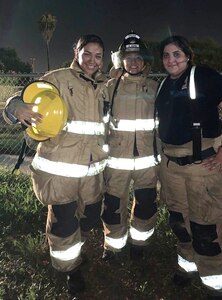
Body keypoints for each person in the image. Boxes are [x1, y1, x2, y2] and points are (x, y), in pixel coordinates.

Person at [3, 34, 108, 295]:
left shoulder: (106, 84)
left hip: (92, 173)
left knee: (91, 218)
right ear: (76, 52)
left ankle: (74, 249)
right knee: (64, 223)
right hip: (59, 171)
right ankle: (70, 271)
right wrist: (16, 109)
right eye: (87, 54)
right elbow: (20, 98)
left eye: (98, 56)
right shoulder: (57, 78)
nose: (92, 61)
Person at [155, 35, 222, 299]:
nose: (171, 59)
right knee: (179, 221)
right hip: (171, 165)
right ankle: (188, 265)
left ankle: (216, 284)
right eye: (167, 55)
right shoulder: (163, 84)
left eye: (177, 54)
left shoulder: (203, 76)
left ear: (188, 56)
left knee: (207, 225)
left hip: (203, 165)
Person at [100, 31, 159, 262]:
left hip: (147, 163)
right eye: (129, 57)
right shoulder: (109, 88)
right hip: (116, 163)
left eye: (138, 58)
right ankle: (113, 247)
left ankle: (139, 245)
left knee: (145, 205)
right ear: (120, 60)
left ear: (144, 61)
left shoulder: (155, 88)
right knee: (113, 207)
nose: (133, 63)